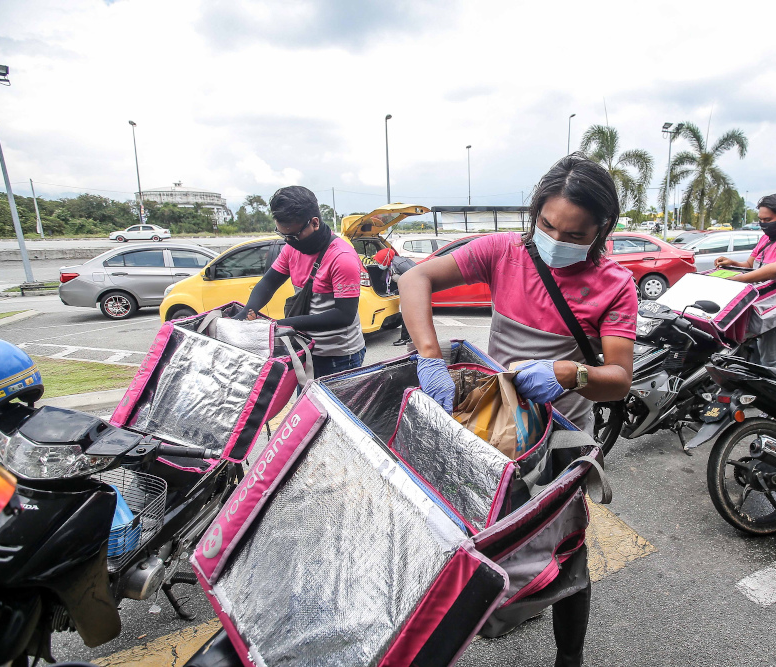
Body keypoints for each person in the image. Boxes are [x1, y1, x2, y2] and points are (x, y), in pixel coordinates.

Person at [398, 154, 637, 666]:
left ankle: (568, 658)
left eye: (575, 234)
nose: (556, 240)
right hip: (495, 427)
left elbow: (618, 381)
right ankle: (501, 607)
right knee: (480, 535)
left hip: (560, 436)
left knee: (567, 552)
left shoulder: (615, 285)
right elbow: (414, 280)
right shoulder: (504, 252)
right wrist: (429, 357)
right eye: (547, 225)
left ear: (601, 229)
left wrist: (571, 374)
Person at [233, 185, 366, 376]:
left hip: (338, 357)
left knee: (329, 407)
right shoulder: (292, 248)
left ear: (314, 223)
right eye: (284, 235)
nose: (289, 241)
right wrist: (249, 311)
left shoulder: (342, 257)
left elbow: (343, 315)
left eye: (294, 235)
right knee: (306, 406)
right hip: (306, 349)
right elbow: (269, 283)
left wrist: (281, 324)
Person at [714, 193, 776, 367]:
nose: (764, 224)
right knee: (752, 362)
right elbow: (751, 264)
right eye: (761, 220)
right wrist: (733, 263)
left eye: (768, 219)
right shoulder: (767, 238)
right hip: (761, 309)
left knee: (773, 365)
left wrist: (739, 279)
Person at [373, 247, 418, 346]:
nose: (378, 264)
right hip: (407, 290)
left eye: (378, 261)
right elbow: (384, 279)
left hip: (413, 290)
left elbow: (415, 277)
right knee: (410, 314)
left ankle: (405, 338)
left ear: (384, 259)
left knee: (407, 313)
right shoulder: (391, 263)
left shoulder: (399, 264)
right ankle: (412, 336)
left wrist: (399, 290)